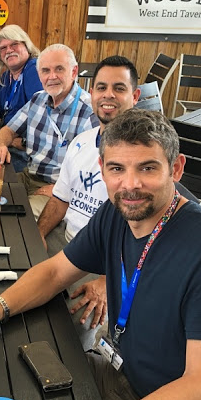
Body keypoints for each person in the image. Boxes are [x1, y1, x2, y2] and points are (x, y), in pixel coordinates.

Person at [0, 108, 201, 400]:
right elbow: (55, 272)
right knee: (2, 384)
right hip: (119, 376)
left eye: (147, 168)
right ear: (102, 168)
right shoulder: (117, 212)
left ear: (176, 168)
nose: (130, 184)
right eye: (117, 169)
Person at [36, 55, 140, 351]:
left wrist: (108, 280)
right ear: (91, 93)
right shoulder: (81, 142)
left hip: (107, 260)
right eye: (101, 87)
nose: (108, 95)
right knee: (19, 276)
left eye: (119, 88)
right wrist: (38, 234)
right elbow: (60, 199)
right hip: (68, 241)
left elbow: (148, 235)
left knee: (71, 328)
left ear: (135, 96)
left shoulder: (143, 156)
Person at [0, 44, 98, 218]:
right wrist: (1, 145)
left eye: (59, 69)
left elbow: (96, 172)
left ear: (74, 71)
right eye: (45, 71)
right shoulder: (38, 99)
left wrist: (62, 189)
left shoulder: (89, 112)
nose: (52, 76)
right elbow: (8, 130)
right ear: (39, 75)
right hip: (29, 175)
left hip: (58, 190)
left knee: (22, 220)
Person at [0, 25, 43, 172]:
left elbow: (41, 119)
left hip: (28, 153)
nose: (9, 50)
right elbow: (0, 114)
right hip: (8, 140)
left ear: (27, 46)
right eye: (3, 48)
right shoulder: (5, 77)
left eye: (14, 44)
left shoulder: (34, 69)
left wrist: (20, 142)